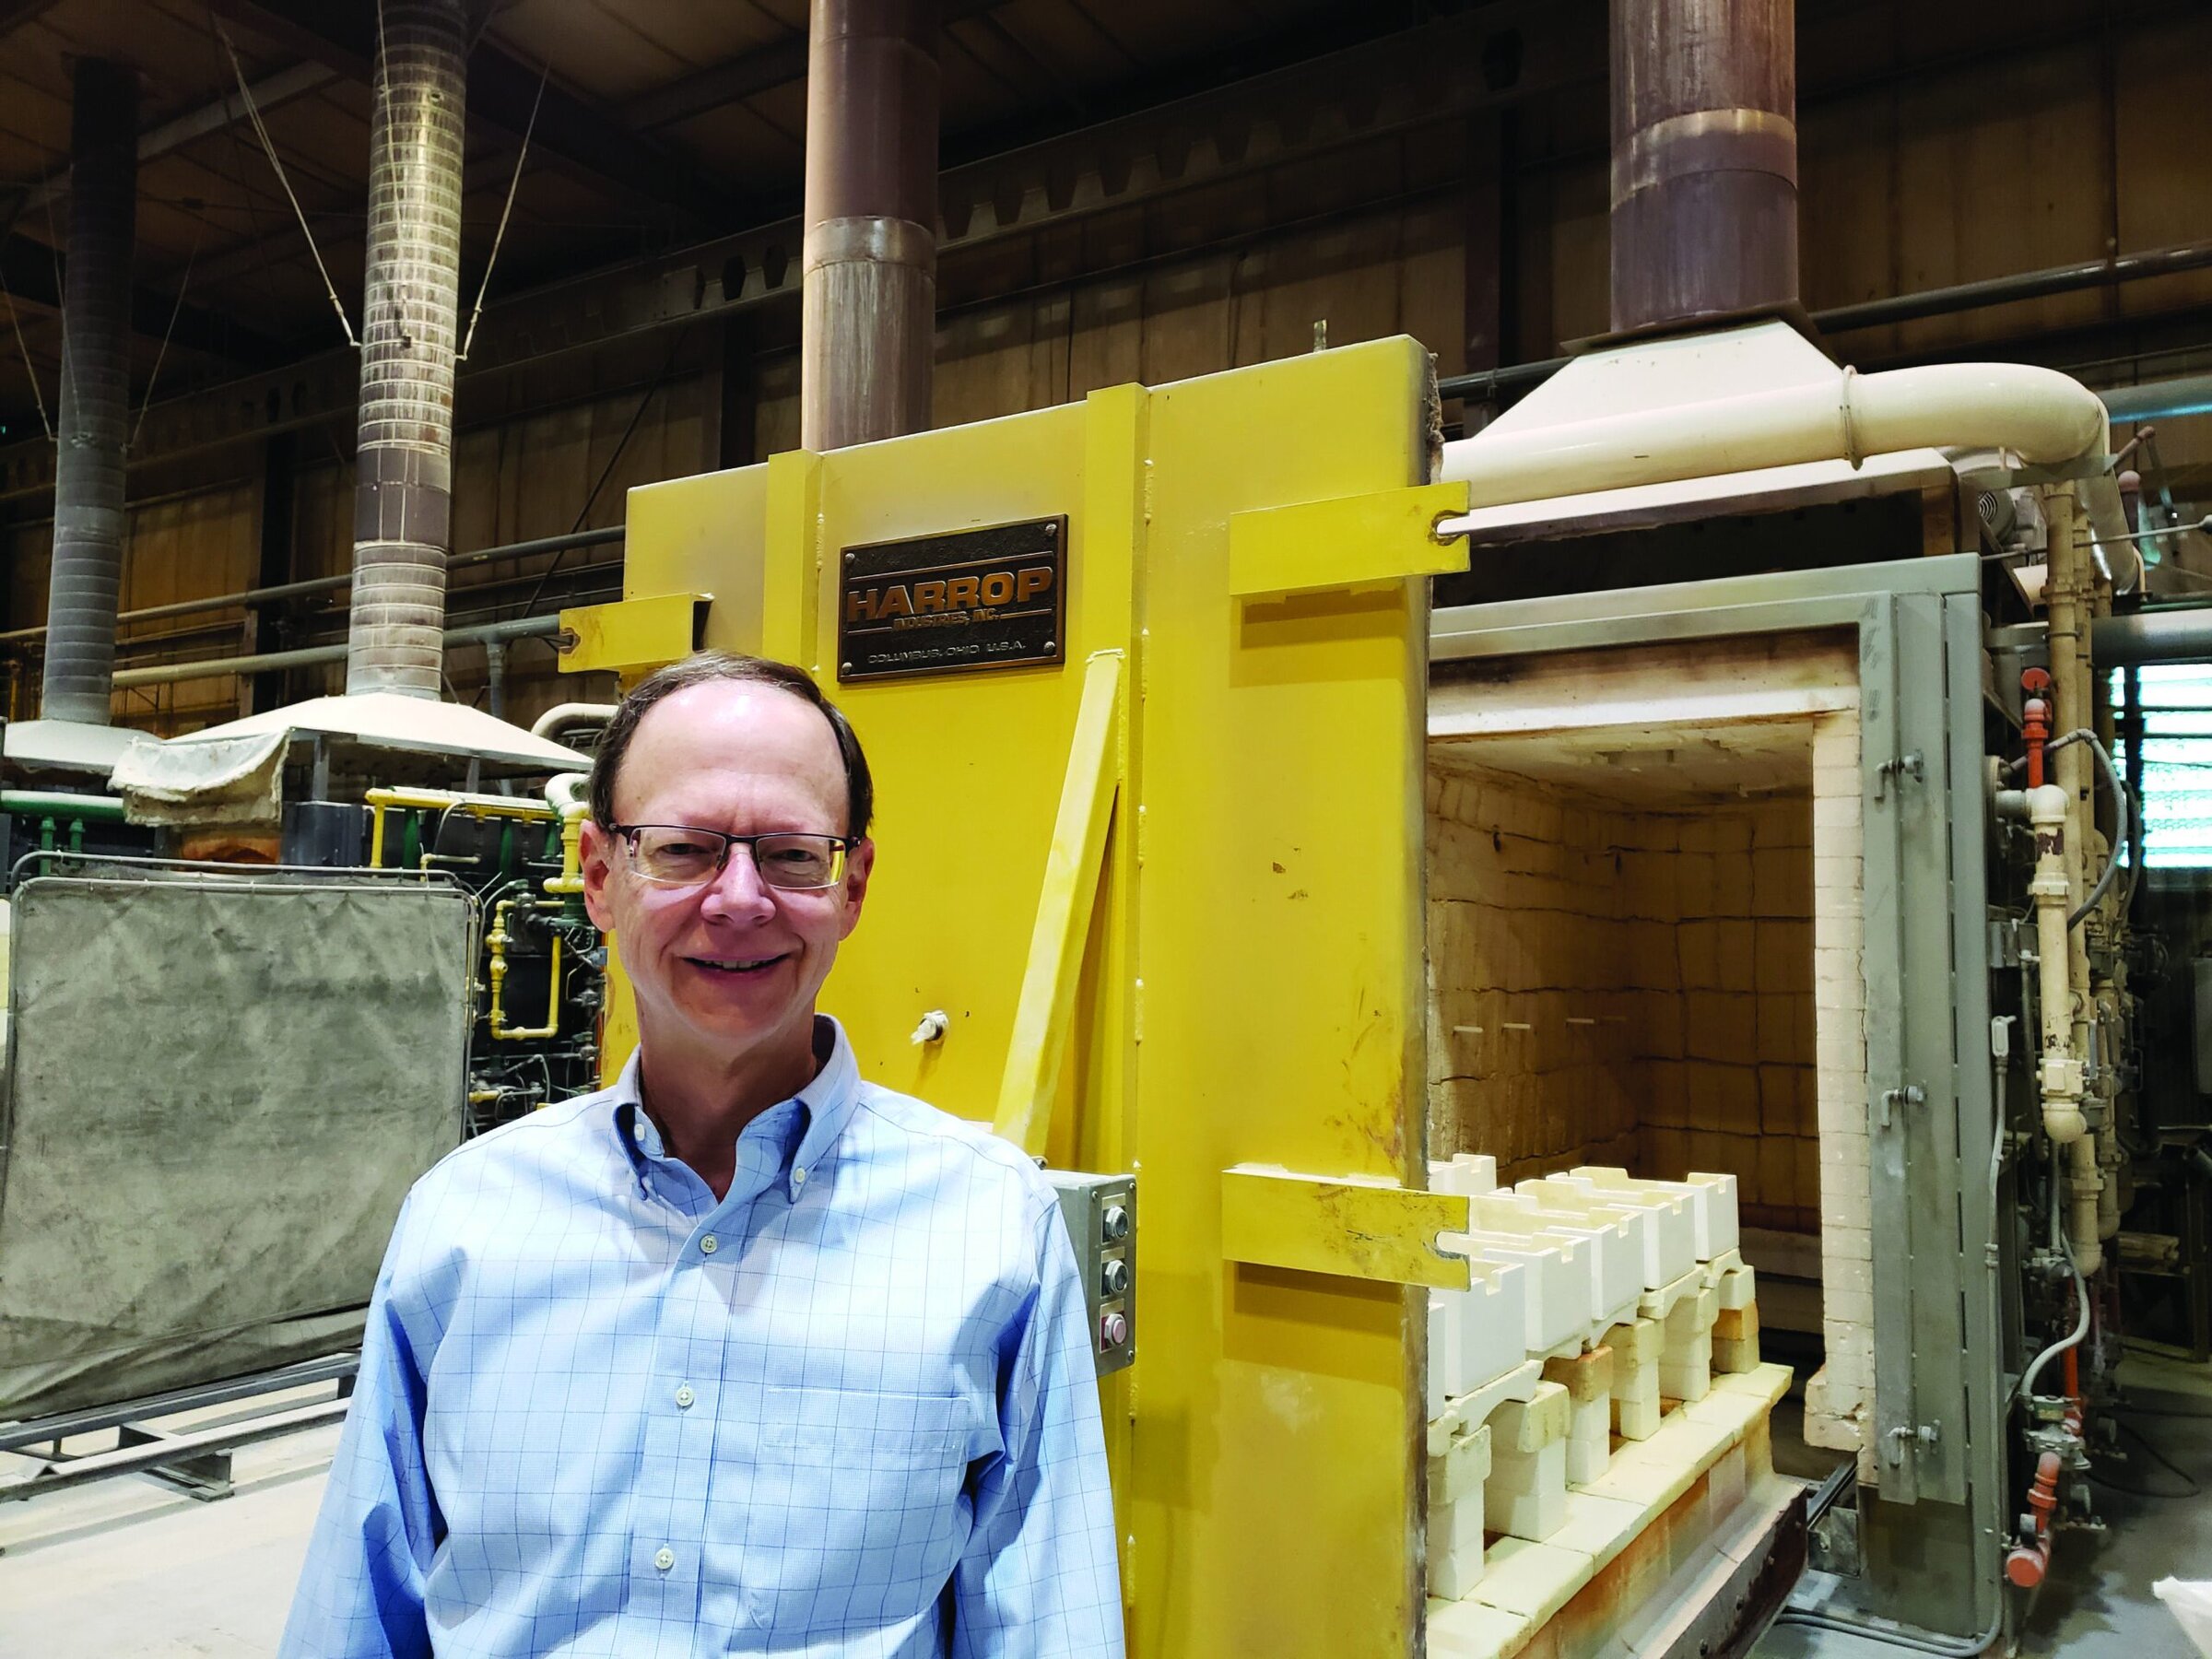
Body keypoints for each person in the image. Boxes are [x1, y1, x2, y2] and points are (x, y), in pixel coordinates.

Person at [281, 652, 1124, 1657]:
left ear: (852, 886)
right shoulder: (466, 1219)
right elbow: (360, 1612)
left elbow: (1048, 1625)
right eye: (683, 849)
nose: (739, 900)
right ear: (601, 876)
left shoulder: (990, 1228)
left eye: (792, 855)